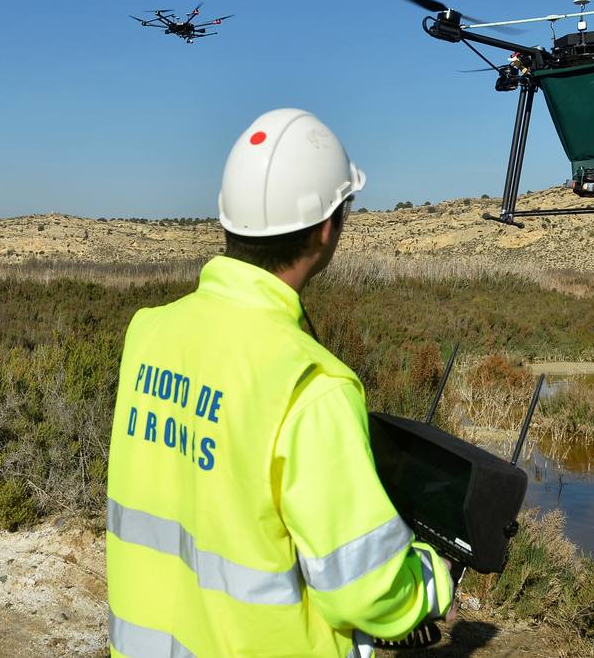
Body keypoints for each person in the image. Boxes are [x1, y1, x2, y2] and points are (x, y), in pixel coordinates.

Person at [106, 109, 453, 657]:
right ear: (325, 228)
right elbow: (365, 593)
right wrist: (429, 580)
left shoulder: (147, 334)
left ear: (229, 220)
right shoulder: (313, 386)